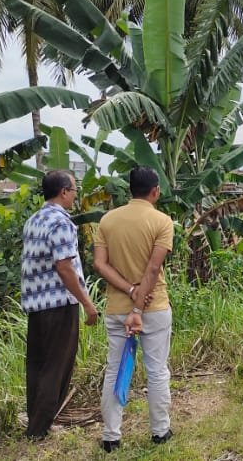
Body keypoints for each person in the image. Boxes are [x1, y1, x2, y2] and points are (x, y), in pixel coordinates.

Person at [94, 167, 175, 452]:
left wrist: (128, 291)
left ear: (130, 190)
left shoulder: (107, 220)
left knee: (115, 369)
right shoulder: (162, 221)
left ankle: (111, 436)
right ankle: (160, 431)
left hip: (116, 307)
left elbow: (100, 265)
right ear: (155, 191)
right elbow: (153, 269)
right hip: (153, 309)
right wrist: (138, 306)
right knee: (156, 371)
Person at [20, 170, 99, 439]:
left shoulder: (34, 220)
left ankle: (36, 422)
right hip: (59, 304)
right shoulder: (61, 223)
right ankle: (39, 430)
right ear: (64, 192)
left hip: (36, 304)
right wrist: (87, 303)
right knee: (58, 366)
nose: (76, 196)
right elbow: (65, 267)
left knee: (38, 365)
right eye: (74, 190)